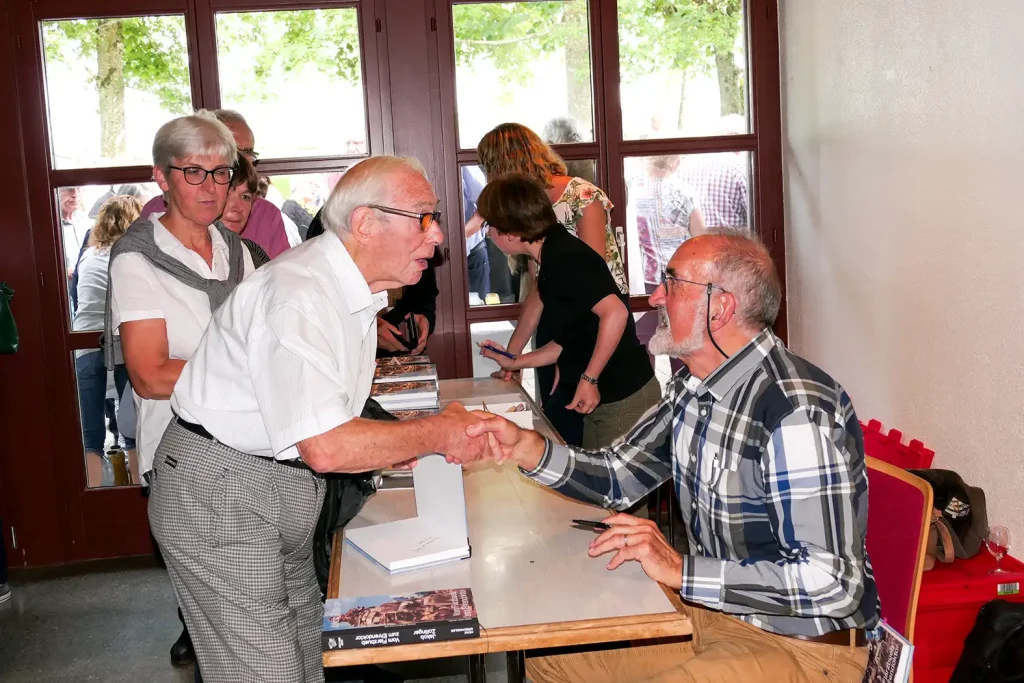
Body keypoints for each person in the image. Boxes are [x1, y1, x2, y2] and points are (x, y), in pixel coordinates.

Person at [469, 231, 879, 683]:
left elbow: (834, 585)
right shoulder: (693, 389)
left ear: (720, 307)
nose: (656, 296)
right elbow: (617, 475)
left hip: (804, 650)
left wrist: (682, 569)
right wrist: (526, 447)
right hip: (721, 617)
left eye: (673, 282)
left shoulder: (794, 410)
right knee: (549, 666)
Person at [150, 156, 492, 683]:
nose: (439, 236)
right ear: (365, 223)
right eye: (422, 218)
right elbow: (326, 445)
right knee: (267, 672)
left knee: (308, 656)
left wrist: (416, 435)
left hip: (277, 481)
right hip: (222, 490)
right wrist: (436, 432)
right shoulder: (299, 294)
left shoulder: (340, 288)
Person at [105, 110, 256, 670]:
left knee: (259, 616)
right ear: (161, 177)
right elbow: (149, 374)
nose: (210, 187)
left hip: (250, 450)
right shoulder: (137, 258)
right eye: (193, 172)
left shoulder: (236, 252)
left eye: (221, 173)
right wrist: (253, 375)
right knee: (227, 628)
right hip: (185, 460)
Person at [478, 174, 660, 448]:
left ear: (511, 232)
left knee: (602, 487)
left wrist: (589, 378)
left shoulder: (565, 259)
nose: (488, 233)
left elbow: (617, 313)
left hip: (622, 396)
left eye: (489, 225)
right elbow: (571, 341)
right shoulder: (552, 254)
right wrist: (514, 361)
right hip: (609, 396)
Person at [477, 123, 624, 404]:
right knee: (556, 413)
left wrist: (569, 354)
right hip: (560, 320)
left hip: (599, 321)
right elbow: (538, 289)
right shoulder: (526, 206)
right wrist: (513, 358)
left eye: (487, 168)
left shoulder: (580, 195)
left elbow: (594, 280)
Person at [140, 109, 293, 258]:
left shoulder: (266, 217)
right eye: (233, 150)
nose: (242, 160)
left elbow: (282, 276)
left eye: (249, 153)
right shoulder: (158, 212)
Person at [74, 195, 143, 487]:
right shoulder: (128, 254)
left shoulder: (89, 255)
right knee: (131, 426)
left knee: (90, 435)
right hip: (120, 342)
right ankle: (138, 489)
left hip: (81, 342)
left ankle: (94, 492)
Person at [306, 206, 438, 357]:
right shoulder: (333, 216)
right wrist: (372, 325)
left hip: (393, 350)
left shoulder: (419, 221)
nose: (438, 236)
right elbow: (321, 290)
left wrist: (423, 314)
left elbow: (425, 292)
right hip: (340, 350)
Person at [630, 154, 705, 374]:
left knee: (643, 339)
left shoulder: (635, 191)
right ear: (675, 162)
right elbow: (700, 237)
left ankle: (647, 394)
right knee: (680, 340)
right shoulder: (685, 192)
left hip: (644, 279)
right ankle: (682, 388)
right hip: (679, 278)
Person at [679, 116, 749, 230]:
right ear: (737, 139)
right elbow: (758, 214)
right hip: (731, 243)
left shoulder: (686, 165)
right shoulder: (739, 167)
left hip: (693, 244)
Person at [220, 153, 271, 267]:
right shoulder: (178, 256)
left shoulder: (255, 255)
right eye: (226, 194)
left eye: (245, 197)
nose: (238, 208)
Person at [462, 165, 491, 301]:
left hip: (471, 253)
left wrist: (461, 236)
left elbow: (487, 203)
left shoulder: (465, 168)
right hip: (435, 254)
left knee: (477, 309)